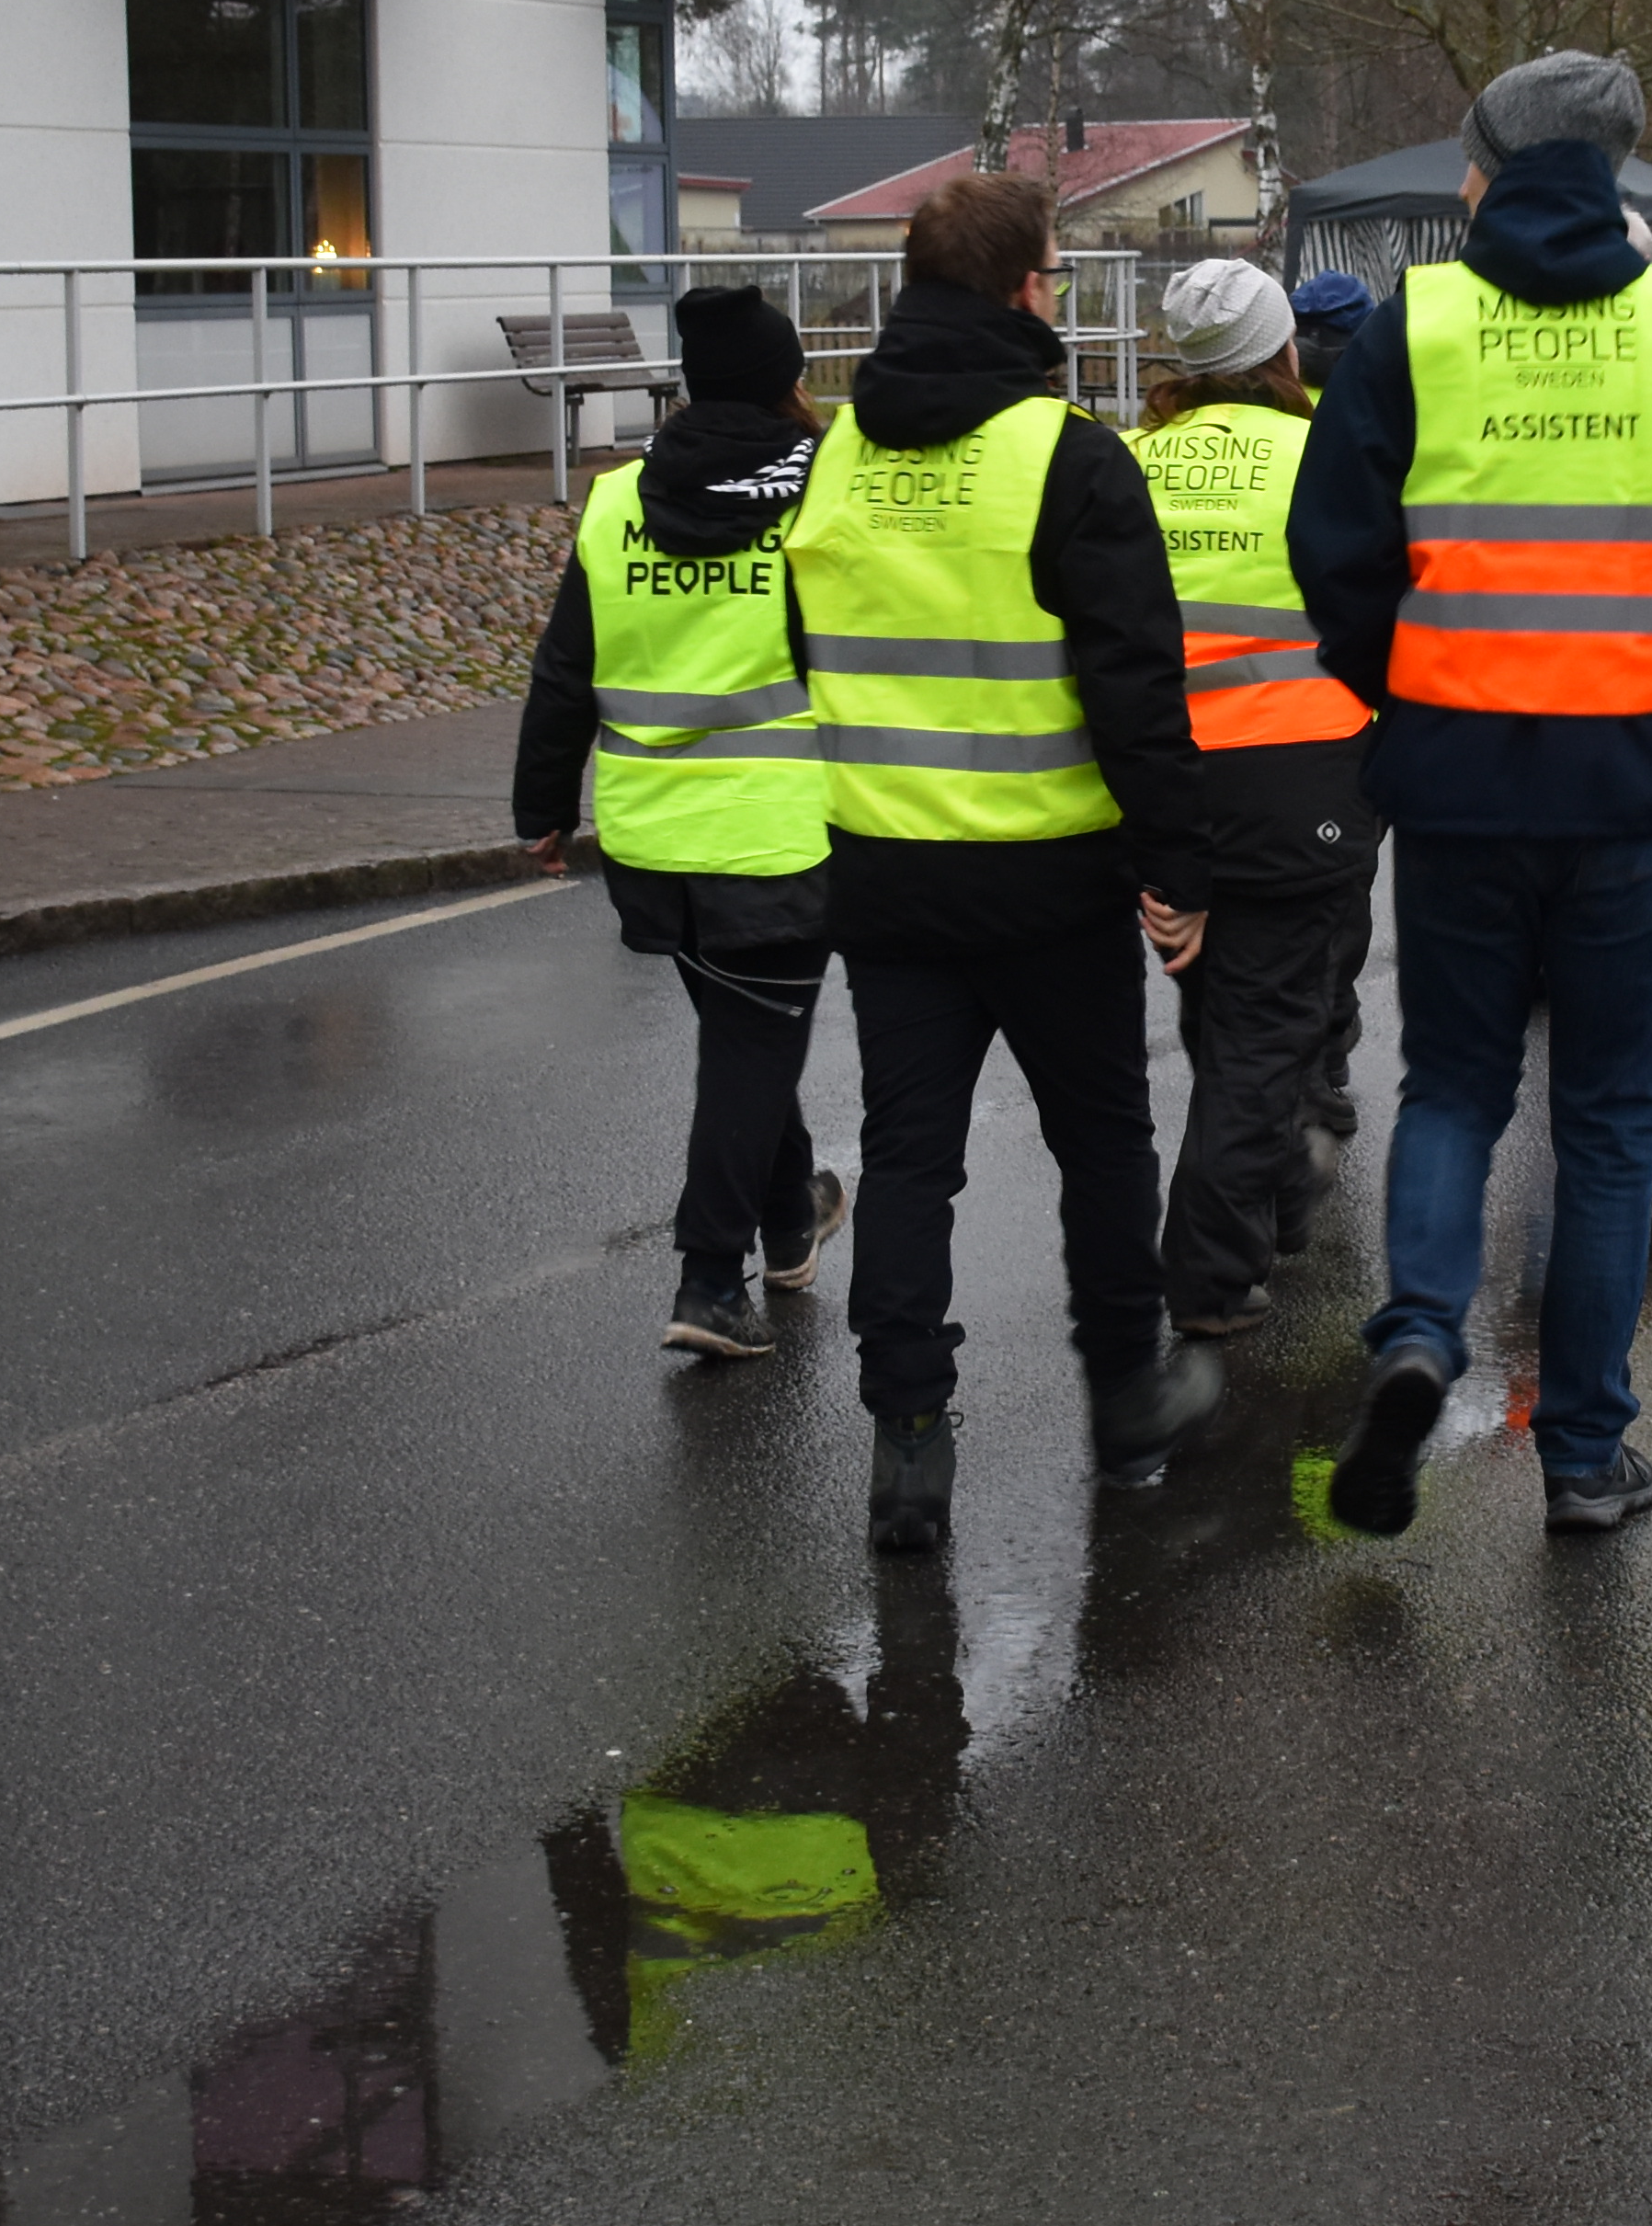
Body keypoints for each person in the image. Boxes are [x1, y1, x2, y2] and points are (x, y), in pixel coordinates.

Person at [1290, 51, 1652, 1538]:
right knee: (1609, 1121)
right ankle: (1580, 1452)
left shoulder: (1414, 323)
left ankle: (1423, 1335)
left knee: (1452, 1086)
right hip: (1626, 792)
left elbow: (1334, 549)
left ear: (1490, 171)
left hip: (1453, 784)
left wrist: (1409, 687)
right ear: (1616, 174)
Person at [785, 170, 1220, 1555]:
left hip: (889, 875)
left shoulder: (839, 451)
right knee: (1102, 1147)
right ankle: (1124, 1406)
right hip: (1050, 880)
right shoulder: (1069, 457)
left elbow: (813, 647)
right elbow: (1138, 690)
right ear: (1031, 287)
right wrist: (1177, 870)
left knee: (910, 1160)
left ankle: (909, 1446)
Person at [508, 282, 846, 1360]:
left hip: (650, 840)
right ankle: (711, 1277)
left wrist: (543, 809)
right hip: (779, 836)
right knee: (751, 1049)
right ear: (787, 384)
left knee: (750, 1036)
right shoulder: (822, 493)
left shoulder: (616, 501)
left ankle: (793, 1214)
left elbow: (566, 670)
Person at [1134, 257, 1381, 1341]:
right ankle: (1210, 1268)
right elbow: (1383, 610)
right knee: (1270, 1027)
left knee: (1218, 1012)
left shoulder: (1130, 462)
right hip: (1300, 779)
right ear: (1283, 351)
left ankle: (1275, 1199)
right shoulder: (1329, 451)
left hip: (1157, 789)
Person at [1279, 261, 1383, 1139]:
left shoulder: (1294, 419)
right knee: (1341, 894)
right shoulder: (1375, 420)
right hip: (1342, 714)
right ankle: (1328, 1053)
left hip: (1252, 724)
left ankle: (1307, 1060)